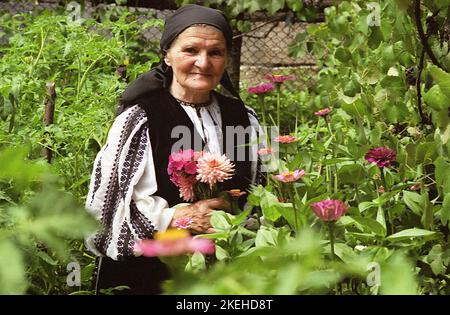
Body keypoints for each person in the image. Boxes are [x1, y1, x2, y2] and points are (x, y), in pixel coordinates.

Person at [85, 4, 264, 295]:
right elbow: (109, 206)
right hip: (151, 274)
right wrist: (177, 218)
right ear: (167, 55)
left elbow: (262, 194)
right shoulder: (140, 119)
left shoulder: (245, 118)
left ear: (227, 58)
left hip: (228, 273)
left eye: (215, 52)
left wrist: (233, 219)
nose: (203, 63)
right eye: (191, 50)